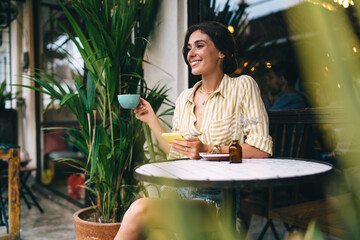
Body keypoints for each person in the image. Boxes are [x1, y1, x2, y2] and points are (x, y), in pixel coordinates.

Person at [114, 21, 272, 240]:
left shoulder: (242, 87)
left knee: (140, 210)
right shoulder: (185, 98)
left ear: (222, 52)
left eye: (199, 45)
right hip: (179, 195)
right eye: (189, 48)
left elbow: (260, 148)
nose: (191, 53)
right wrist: (151, 119)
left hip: (216, 202)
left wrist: (208, 149)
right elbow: (175, 151)